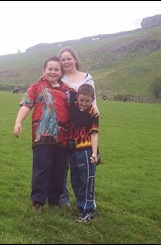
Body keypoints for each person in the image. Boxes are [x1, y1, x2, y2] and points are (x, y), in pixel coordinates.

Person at [13, 56, 72, 212]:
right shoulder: (36, 87)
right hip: (42, 135)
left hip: (63, 137)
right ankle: (38, 201)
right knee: (42, 168)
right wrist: (18, 121)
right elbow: (26, 105)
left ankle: (54, 200)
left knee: (58, 170)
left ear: (61, 72)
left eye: (56, 69)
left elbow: (78, 109)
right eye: (50, 69)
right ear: (44, 70)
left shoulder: (67, 91)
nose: (53, 72)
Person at [58, 47, 99, 208]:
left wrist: (95, 118)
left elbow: (93, 103)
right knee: (62, 166)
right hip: (63, 127)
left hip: (83, 131)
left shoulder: (87, 79)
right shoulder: (59, 78)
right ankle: (63, 200)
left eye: (68, 58)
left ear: (75, 59)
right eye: (63, 59)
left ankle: (88, 204)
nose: (66, 61)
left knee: (84, 170)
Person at [67, 83, 99, 222]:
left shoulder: (93, 112)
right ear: (77, 98)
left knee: (87, 180)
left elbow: (94, 133)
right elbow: (67, 86)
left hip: (86, 151)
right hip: (72, 149)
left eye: (87, 101)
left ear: (92, 99)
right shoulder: (73, 104)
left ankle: (88, 210)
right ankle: (81, 207)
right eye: (81, 100)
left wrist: (94, 153)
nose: (84, 103)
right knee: (76, 181)